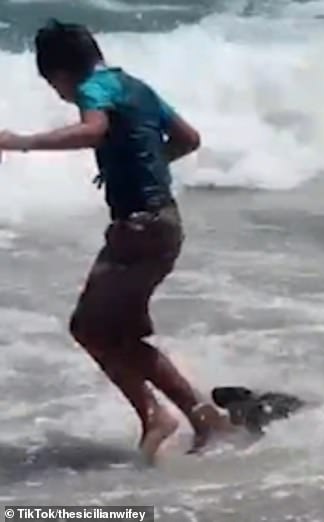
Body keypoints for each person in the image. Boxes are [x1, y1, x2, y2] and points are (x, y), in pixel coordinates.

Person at [0, 19, 232, 462]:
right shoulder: (136, 87)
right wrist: (145, 164)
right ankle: (201, 417)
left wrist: (21, 142)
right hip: (164, 225)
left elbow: (92, 130)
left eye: (55, 86)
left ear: (60, 73)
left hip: (139, 229)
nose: (61, 95)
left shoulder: (93, 89)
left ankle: (160, 415)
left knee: (89, 329)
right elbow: (189, 138)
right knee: (116, 335)